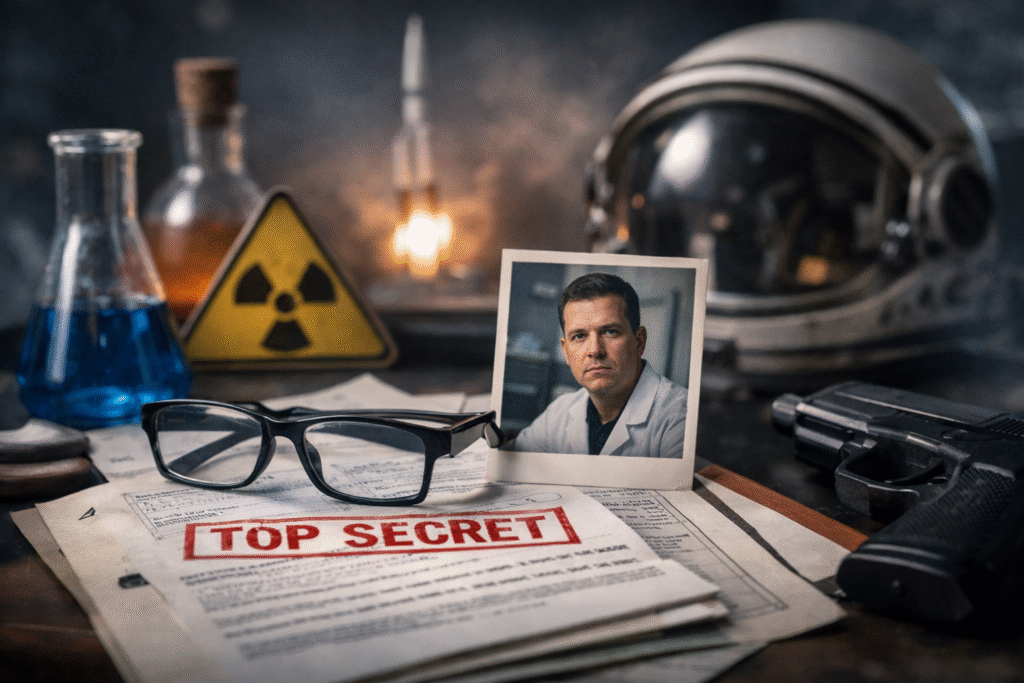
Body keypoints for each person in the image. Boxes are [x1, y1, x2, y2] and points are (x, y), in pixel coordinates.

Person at [511, 272, 688, 457]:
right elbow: (513, 462)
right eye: (579, 336)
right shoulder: (558, 414)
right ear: (565, 351)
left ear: (639, 341)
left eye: (610, 332)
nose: (595, 350)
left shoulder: (679, 416)